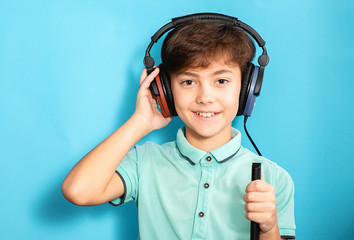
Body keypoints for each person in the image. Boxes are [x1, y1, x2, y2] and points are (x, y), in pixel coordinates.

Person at [62, 14, 296, 240]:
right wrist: (141, 121)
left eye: (221, 81)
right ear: (165, 91)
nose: (205, 97)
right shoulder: (144, 162)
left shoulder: (273, 178)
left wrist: (269, 228)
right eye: (188, 82)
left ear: (246, 89)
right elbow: (78, 191)